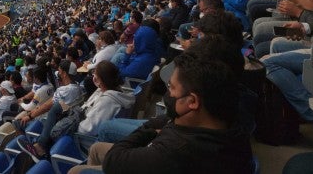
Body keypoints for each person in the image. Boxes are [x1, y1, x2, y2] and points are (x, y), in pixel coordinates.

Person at [85, 52, 254, 174]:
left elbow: (113, 160)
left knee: (77, 171)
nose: (169, 94)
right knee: (96, 149)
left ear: (192, 101)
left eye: (172, 87)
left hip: (152, 154)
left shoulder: (174, 152)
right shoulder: (231, 126)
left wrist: (149, 133)